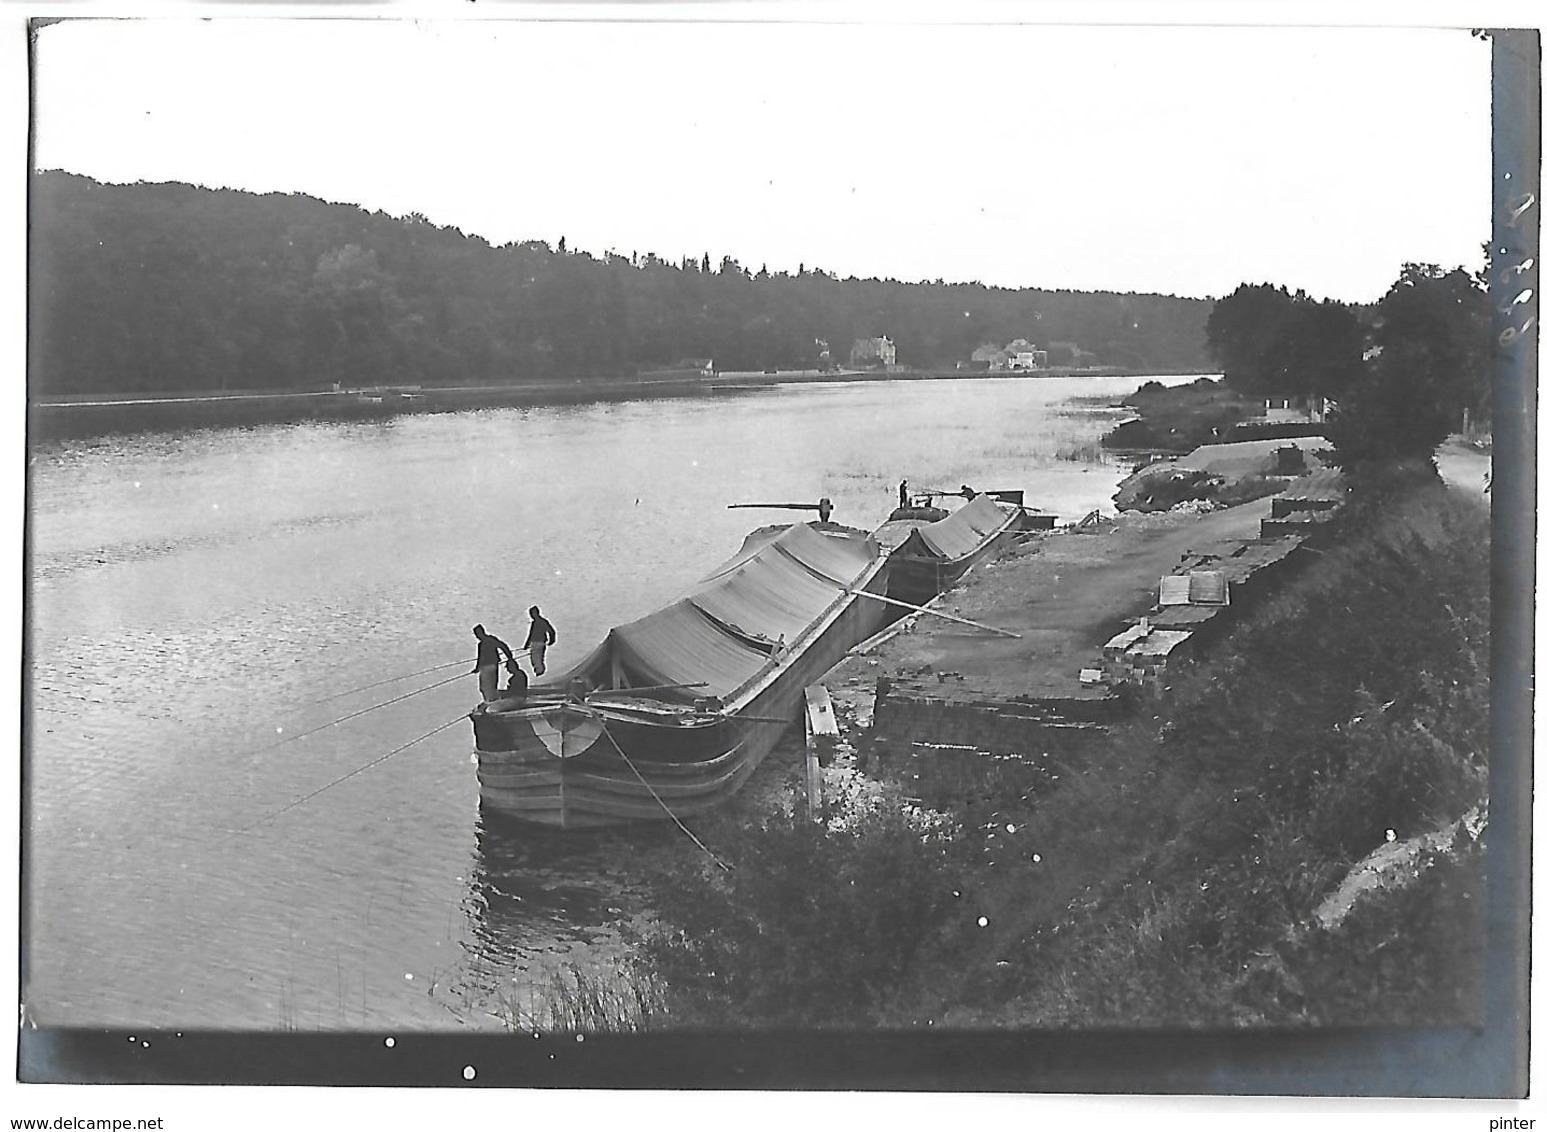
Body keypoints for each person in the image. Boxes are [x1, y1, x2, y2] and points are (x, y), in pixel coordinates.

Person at [470, 624, 515, 703]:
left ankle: (489, 701)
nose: (477, 637)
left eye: (476, 634)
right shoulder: (491, 639)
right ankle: (492, 700)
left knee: (484, 687)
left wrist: (477, 668)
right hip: (494, 666)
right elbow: (503, 646)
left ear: (480, 633)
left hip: (485, 668)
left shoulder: (482, 644)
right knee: (492, 685)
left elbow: (480, 658)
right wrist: (509, 656)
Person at [525, 606, 556, 676]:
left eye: (531, 614)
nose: (531, 616)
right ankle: (539, 672)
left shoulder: (540, 622)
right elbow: (551, 631)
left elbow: (531, 634)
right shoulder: (539, 622)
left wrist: (552, 640)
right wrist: (527, 645)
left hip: (539, 643)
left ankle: (540, 673)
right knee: (535, 659)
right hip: (537, 643)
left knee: (536, 659)